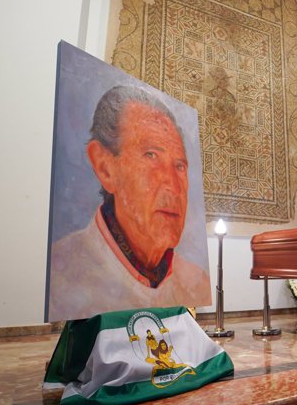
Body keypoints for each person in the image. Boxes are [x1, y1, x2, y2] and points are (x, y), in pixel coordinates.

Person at [48, 85, 210, 321]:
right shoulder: (60, 278)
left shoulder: (196, 283)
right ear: (105, 168)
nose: (174, 188)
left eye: (180, 166)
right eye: (151, 155)